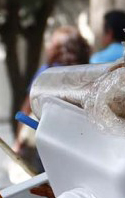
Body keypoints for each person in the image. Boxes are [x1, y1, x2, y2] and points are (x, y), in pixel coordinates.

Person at [13, 26, 92, 172]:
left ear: (59, 48)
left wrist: (18, 139)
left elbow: (28, 105)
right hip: (79, 143)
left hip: (48, 140)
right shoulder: (88, 71)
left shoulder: (47, 73)